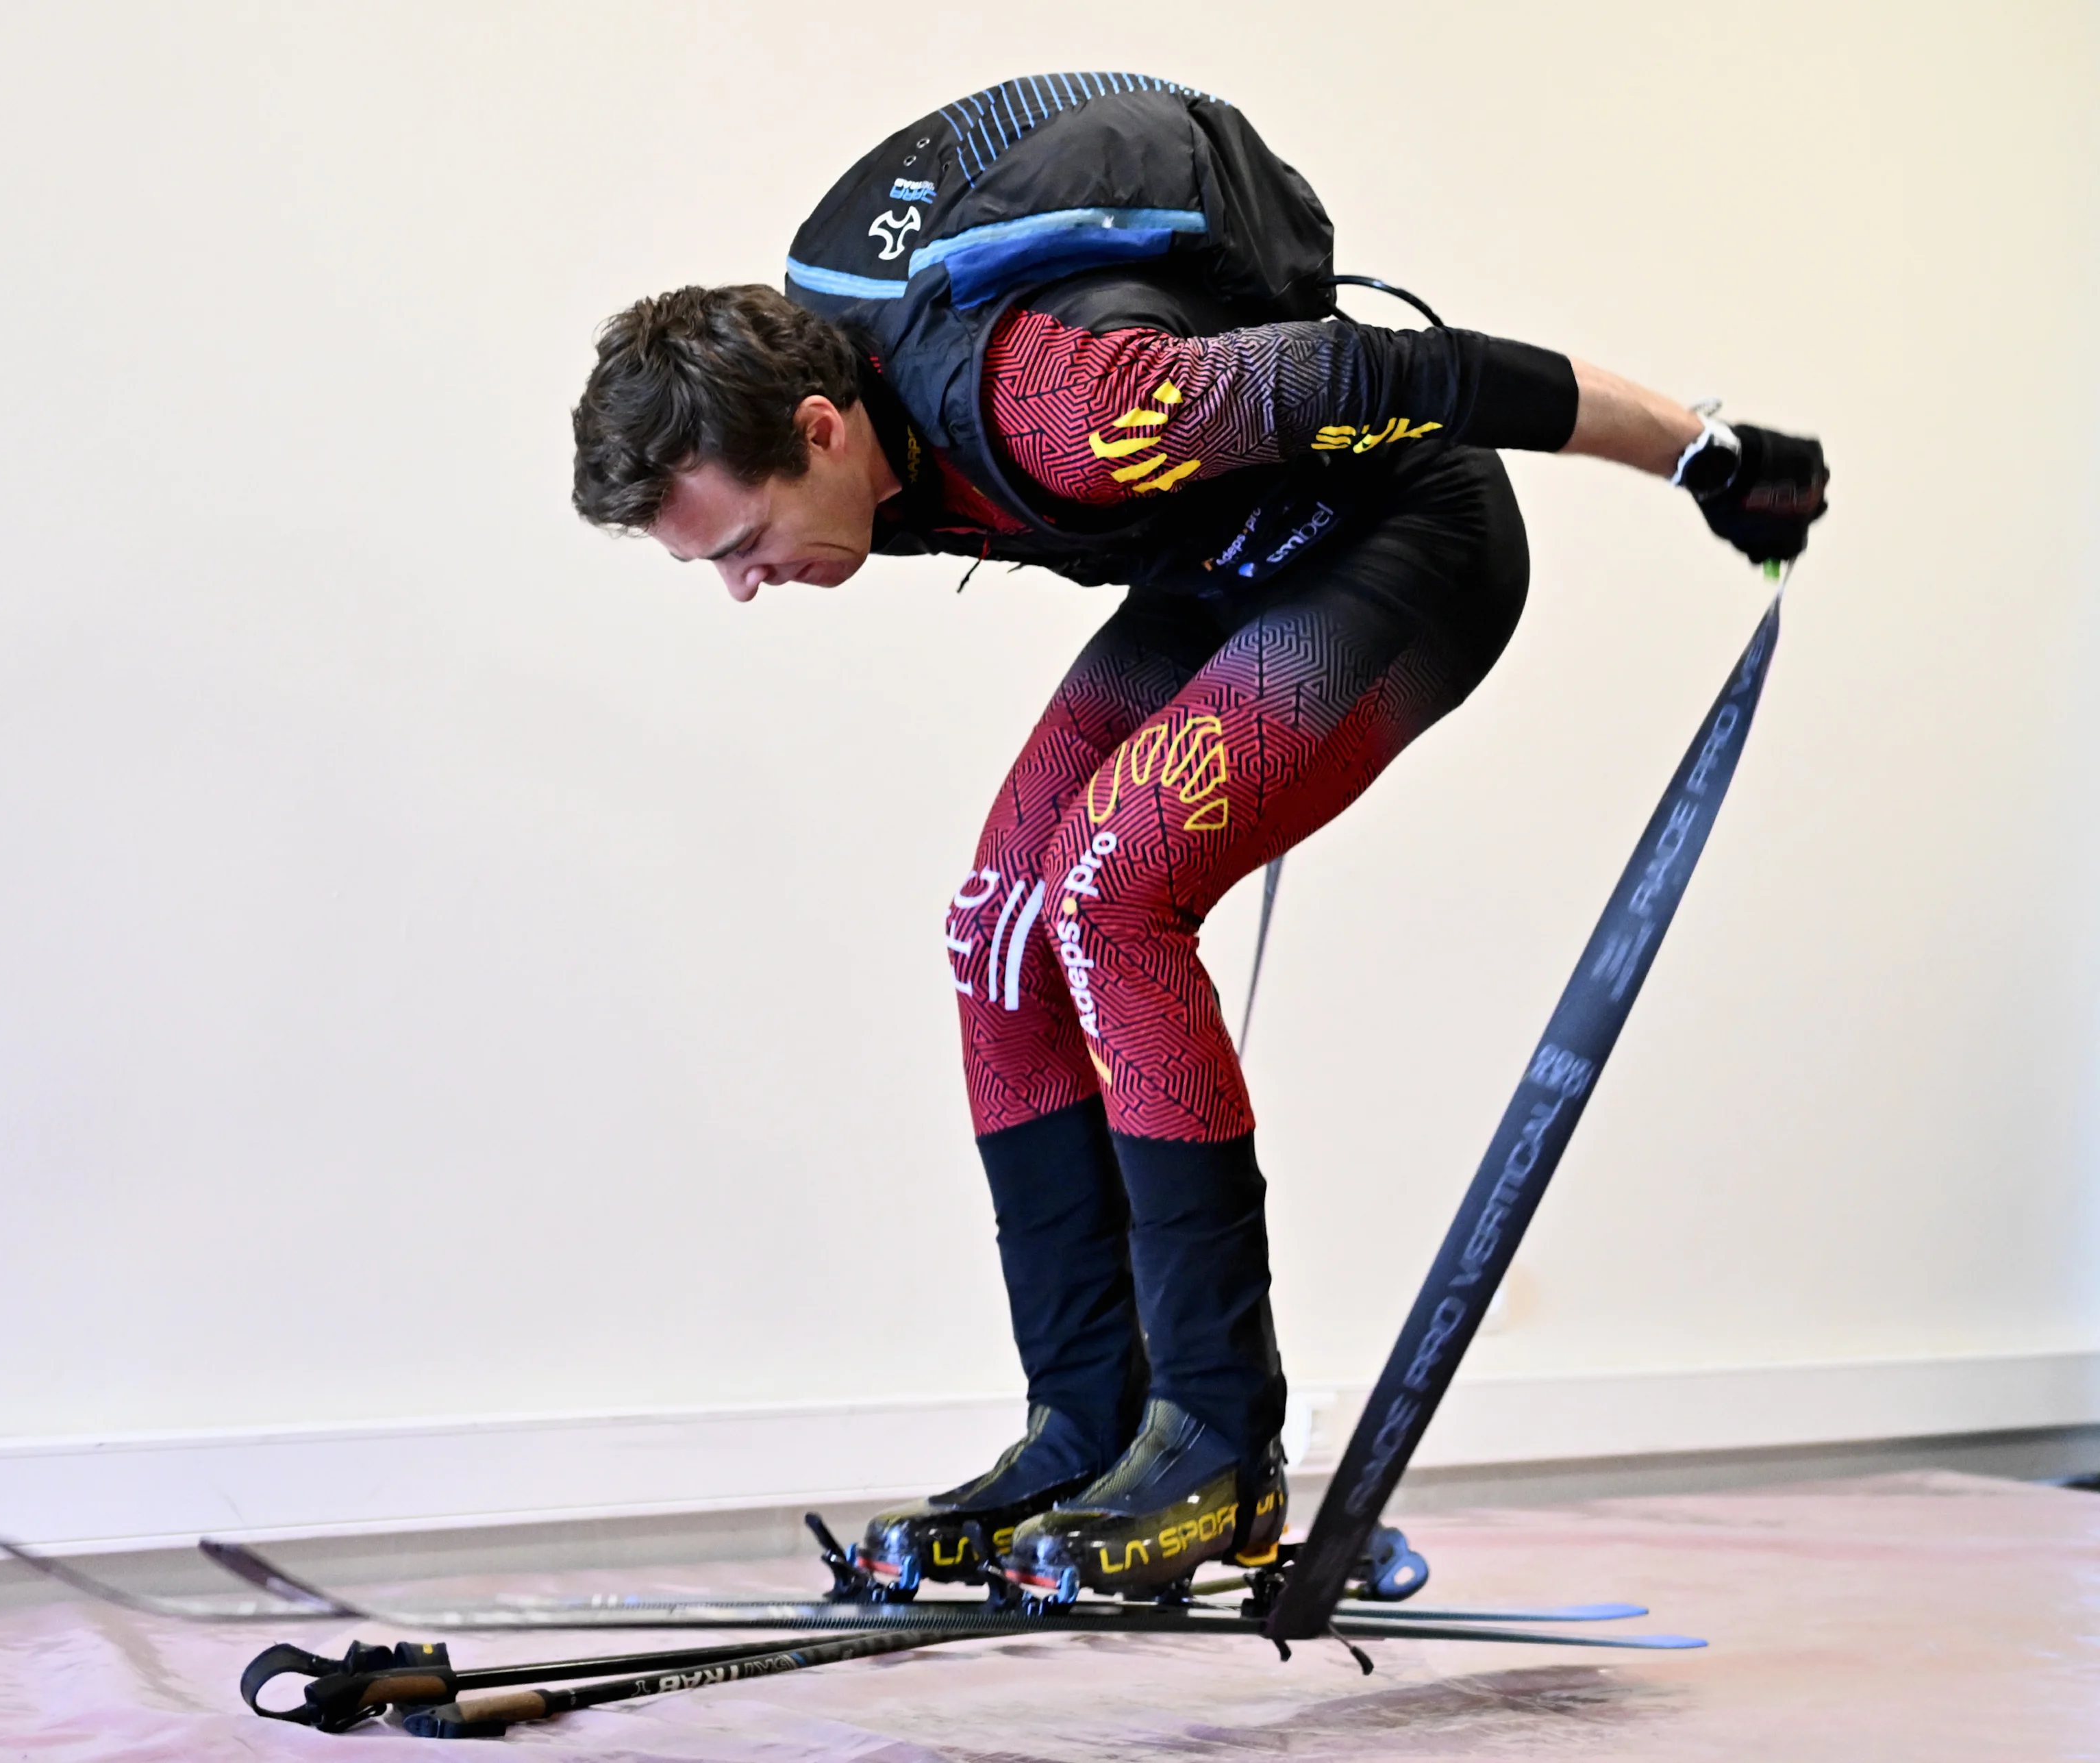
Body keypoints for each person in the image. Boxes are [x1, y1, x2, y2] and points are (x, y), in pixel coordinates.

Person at [568, 74, 1826, 1604]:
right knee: (999, 931)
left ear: (820, 431)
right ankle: (1086, 1430)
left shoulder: (1070, 409)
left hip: (1404, 545)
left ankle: (1219, 1448)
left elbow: (1416, 373)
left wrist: (1704, 452)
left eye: (744, 544)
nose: (743, 589)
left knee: (1111, 887)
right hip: (1221, 565)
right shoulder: (850, 416)